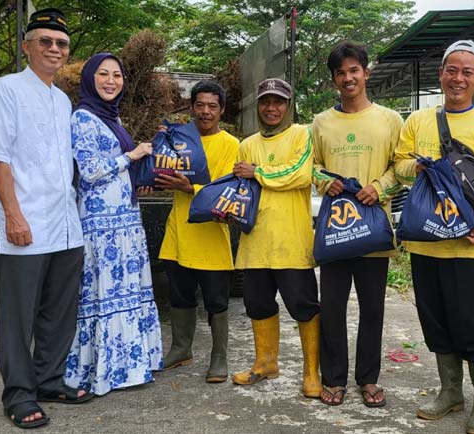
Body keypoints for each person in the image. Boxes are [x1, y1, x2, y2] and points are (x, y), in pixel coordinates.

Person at [0, 8, 93, 429]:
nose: (54, 48)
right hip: (23, 226)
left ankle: (49, 379)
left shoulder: (62, 100)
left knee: (58, 311)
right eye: (44, 41)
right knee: (18, 315)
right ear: (27, 46)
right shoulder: (5, 90)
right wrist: (13, 215)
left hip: (64, 225)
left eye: (61, 43)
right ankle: (20, 393)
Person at [394, 40, 474, 434]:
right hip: (425, 241)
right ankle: (450, 392)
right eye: (451, 69)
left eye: (467, 71)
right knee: (436, 321)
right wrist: (424, 167)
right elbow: (400, 165)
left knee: (470, 325)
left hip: (468, 245)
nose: (457, 78)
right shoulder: (417, 121)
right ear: (440, 74)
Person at [63, 53, 163, 395]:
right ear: (90, 78)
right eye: (103, 74)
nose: (110, 80)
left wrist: (139, 174)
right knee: (103, 294)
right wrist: (130, 156)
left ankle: (128, 368)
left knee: (125, 291)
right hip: (100, 225)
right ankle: (100, 372)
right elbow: (90, 171)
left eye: (116, 75)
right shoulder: (82, 118)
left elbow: (115, 172)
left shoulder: (112, 118)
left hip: (125, 220)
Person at [311, 40, 402, 407]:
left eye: (354, 70)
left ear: (366, 72)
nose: (348, 78)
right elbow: (310, 165)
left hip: (374, 230)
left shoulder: (390, 120)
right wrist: (323, 181)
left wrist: (379, 186)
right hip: (336, 230)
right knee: (331, 307)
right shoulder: (321, 123)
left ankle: (368, 378)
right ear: (334, 79)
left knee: (373, 308)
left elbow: (401, 164)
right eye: (340, 73)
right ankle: (333, 378)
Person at [231, 78, 322, 399]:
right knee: (257, 304)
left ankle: (312, 371)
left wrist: (256, 171)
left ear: (288, 106)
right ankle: (265, 362)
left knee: (304, 305)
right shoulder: (247, 143)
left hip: (291, 241)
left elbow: (299, 173)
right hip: (255, 240)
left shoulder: (302, 135)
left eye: (279, 102)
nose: (272, 108)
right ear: (258, 105)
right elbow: (239, 188)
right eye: (266, 102)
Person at [156, 81, 239, 383]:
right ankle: (181, 348)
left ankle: (219, 356)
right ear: (191, 107)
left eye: (212, 106)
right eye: (200, 105)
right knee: (180, 296)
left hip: (211, 235)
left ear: (222, 110)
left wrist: (189, 187)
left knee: (216, 301)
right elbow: (160, 167)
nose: (205, 111)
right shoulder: (179, 136)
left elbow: (227, 191)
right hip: (179, 232)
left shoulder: (231, 145)